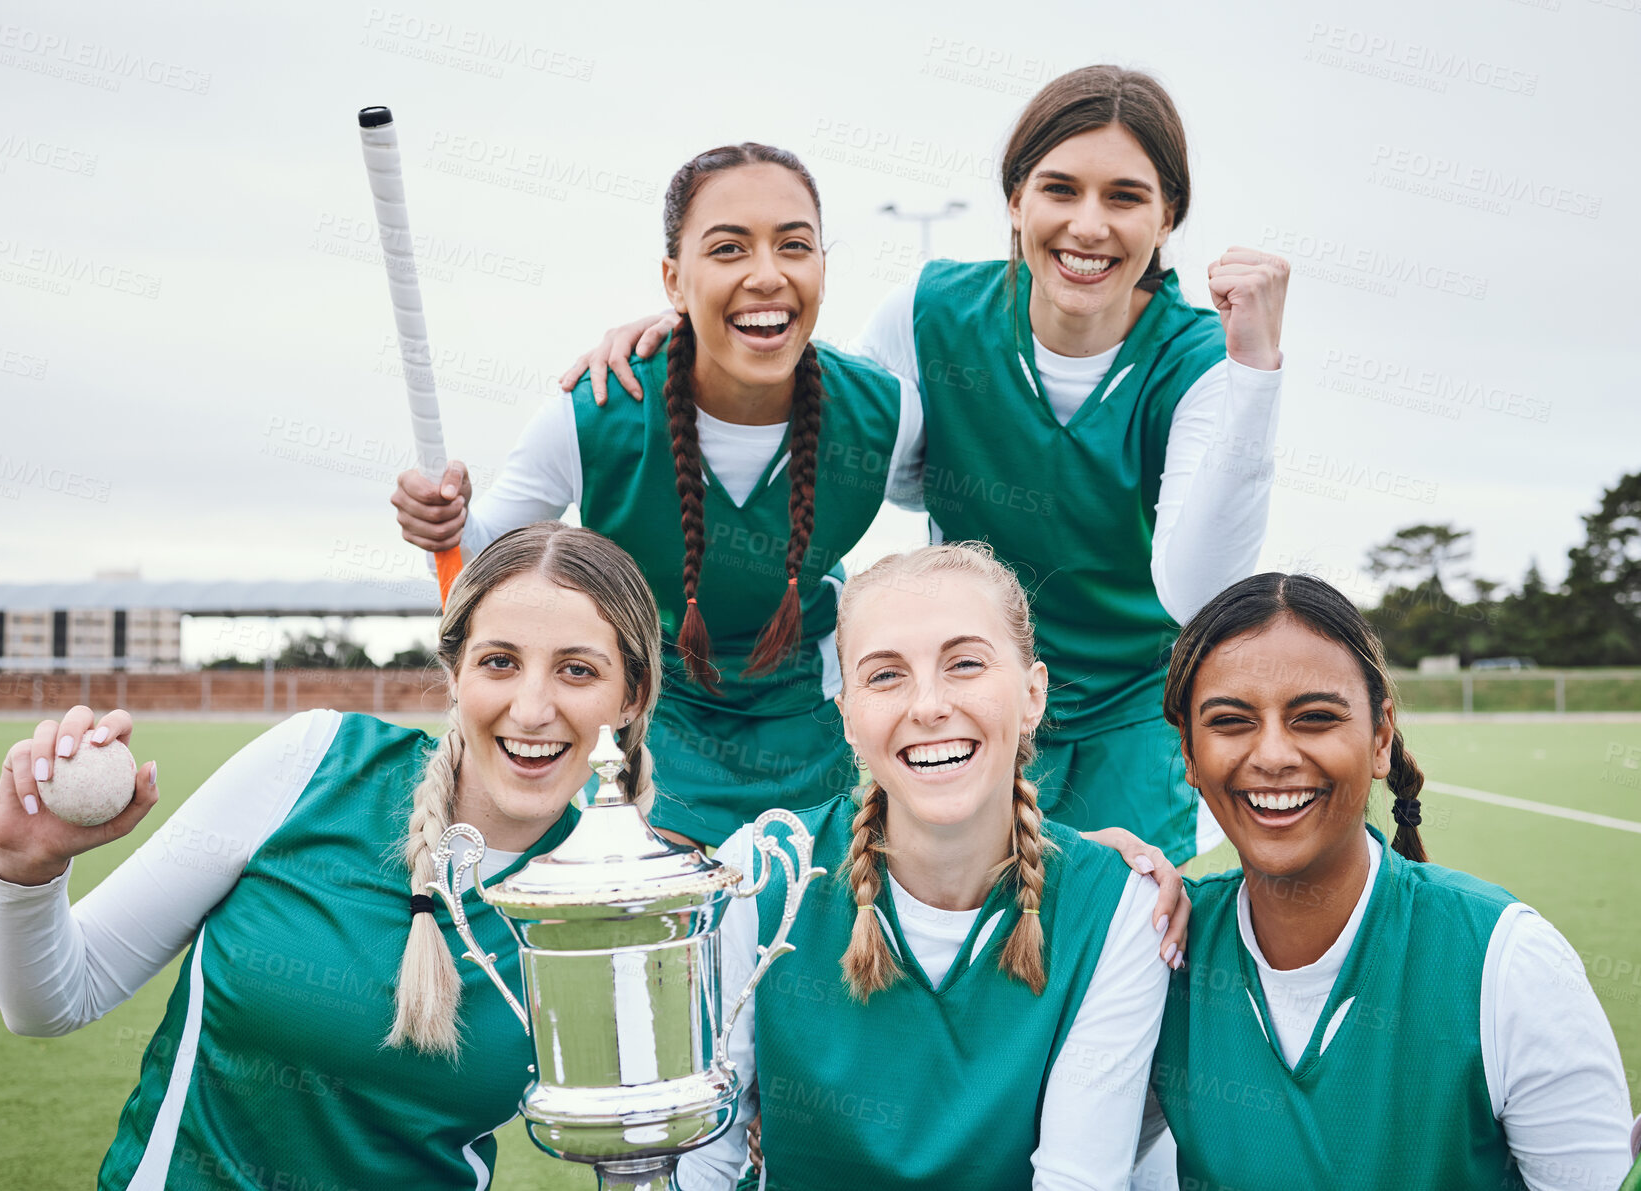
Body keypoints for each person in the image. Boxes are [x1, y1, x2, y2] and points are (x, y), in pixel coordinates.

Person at [563, 65, 1289, 868]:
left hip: (1129, 715)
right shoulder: (928, 310)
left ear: (1168, 216)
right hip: (972, 696)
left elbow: (1195, 591)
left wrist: (1253, 370)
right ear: (1015, 201)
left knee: (1117, 942)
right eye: (1059, 189)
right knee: (966, 939)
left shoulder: (1197, 360)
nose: (1088, 224)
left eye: (1123, 196)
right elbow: (831, 426)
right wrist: (698, 334)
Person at [0, 522, 665, 1189]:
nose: (532, 706)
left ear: (629, 696)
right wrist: (27, 871)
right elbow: (52, 999)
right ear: (454, 672)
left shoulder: (608, 907)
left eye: (577, 669)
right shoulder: (310, 765)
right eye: (499, 661)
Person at [394, 143, 925, 847]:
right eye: (728, 249)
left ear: (822, 266)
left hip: (813, 725)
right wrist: (443, 520)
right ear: (674, 280)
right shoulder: (594, 412)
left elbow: (954, 523)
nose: (766, 275)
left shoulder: (887, 412)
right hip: (644, 727)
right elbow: (481, 560)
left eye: (793, 246)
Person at [678, 543, 1181, 1191]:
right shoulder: (765, 871)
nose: (927, 705)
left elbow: (1077, 1179)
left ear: (1032, 695)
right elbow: (697, 1159)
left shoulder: (1117, 908)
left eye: (964, 663)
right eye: (885, 675)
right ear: (848, 719)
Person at [1145, 573, 1634, 1188]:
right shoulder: (1155, 950)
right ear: (1189, 752)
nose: (1272, 755)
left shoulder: (1508, 962)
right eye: (1231, 721)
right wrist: (1084, 877)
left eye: (1315, 717)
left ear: (1380, 738)